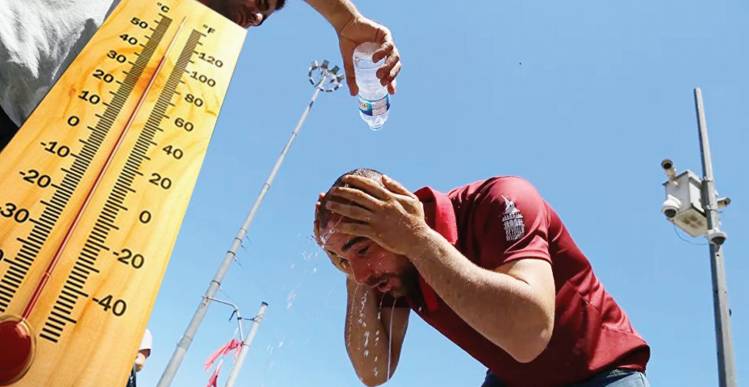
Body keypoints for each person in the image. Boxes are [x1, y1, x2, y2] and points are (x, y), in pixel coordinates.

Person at [314, 168, 651, 387]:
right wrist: (348, 259)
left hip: (599, 372)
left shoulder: (500, 200)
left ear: (400, 216)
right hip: (512, 378)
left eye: (362, 250)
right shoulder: (390, 269)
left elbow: (530, 335)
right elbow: (373, 371)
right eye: (342, 259)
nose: (360, 273)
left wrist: (417, 239)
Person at [0, 0, 400, 150]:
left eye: (267, 15)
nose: (259, 16)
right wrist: (346, 19)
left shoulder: (166, 49)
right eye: (262, 1)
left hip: (24, 140)